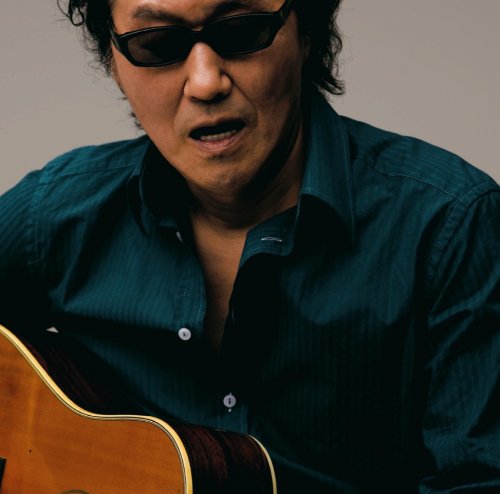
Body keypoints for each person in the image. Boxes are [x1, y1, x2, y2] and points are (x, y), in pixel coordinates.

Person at [1, 0, 499, 491]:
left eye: (241, 31)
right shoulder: (55, 217)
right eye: (157, 44)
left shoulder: (451, 228)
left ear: (307, 32)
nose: (205, 83)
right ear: (113, 61)